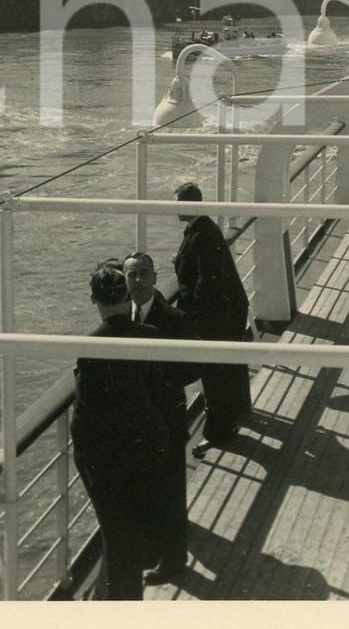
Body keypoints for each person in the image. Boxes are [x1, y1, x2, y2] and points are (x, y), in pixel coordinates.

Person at [69, 263, 170, 600]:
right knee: (131, 528)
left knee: (117, 535)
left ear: (93, 300)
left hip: (108, 462)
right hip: (145, 450)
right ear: (126, 295)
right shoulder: (151, 335)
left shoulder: (91, 346)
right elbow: (157, 393)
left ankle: (120, 607)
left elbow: (84, 417)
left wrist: (84, 460)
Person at [123, 251, 194, 585]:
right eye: (131, 275)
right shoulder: (123, 318)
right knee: (145, 490)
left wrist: (158, 382)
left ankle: (174, 561)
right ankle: (151, 551)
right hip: (136, 424)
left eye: (143, 274)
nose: (137, 280)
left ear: (154, 278)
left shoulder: (175, 319)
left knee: (171, 494)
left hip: (166, 420)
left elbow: (192, 368)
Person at [172, 180, 252, 458]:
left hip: (214, 318)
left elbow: (207, 282)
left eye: (177, 203)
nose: (173, 208)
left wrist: (191, 318)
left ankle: (216, 434)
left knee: (214, 376)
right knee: (226, 370)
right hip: (226, 313)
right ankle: (235, 415)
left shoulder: (202, 234)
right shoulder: (202, 229)